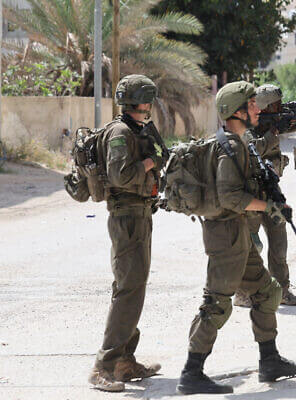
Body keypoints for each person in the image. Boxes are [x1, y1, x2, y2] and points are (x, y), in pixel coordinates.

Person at [176, 81, 296, 395]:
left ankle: (270, 361)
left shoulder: (238, 141)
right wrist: (270, 207)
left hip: (236, 234)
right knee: (216, 305)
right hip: (225, 236)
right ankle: (191, 372)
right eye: (251, 105)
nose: (257, 110)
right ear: (236, 110)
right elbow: (230, 197)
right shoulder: (231, 146)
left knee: (267, 292)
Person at [89, 74, 164, 391]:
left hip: (140, 213)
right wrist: (150, 161)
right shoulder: (120, 132)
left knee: (133, 287)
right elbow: (120, 175)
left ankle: (124, 361)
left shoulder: (138, 129)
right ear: (141, 101)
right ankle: (102, 367)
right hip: (126, 217)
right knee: (128, 289)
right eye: (148, 99)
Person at [234, 84, 296, 308]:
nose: (279, 109)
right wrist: (272, 134)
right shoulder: (246, 130)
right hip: (252, 196)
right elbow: (252, 151)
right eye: (275, 106)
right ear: (263, 108)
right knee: (252, 246)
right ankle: (243, 292)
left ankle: (282, 288)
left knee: (279, 242)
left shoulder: (270, 127)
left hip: (271, 193)